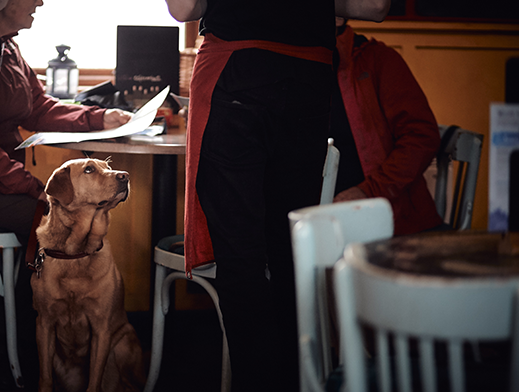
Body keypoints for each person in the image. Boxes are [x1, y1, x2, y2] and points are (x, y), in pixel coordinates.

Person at [164, 1, 390, 391]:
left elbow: (185, 7)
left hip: (238, 67)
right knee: (290, 253)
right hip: (309, 76)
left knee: (242, 262)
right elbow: (375, 5)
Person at [0, 0, 131, 386]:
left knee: (51, 218)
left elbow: (37, 106)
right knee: (45, 221)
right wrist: (31, 188)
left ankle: (9, 326)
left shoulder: (4, 42)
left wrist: (100, 118)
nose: (40, 1)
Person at [331, 17, 445, 235]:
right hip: (323, 225)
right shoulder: (290, 66)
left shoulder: (379, 59)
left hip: (393, 226)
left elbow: (421, 136)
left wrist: (368, 191)